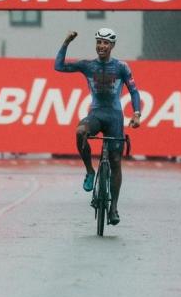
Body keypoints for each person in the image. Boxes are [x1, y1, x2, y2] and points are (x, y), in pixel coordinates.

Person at [54, 28, 141, 226]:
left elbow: (134, 92)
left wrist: (136, 114)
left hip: (115, 118)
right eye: (99, 42)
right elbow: (58, 67)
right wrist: (66, 42)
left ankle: (113, 208)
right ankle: (90, 171)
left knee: (116, 161)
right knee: (80, 132)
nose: (101, 46)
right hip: (96, 114)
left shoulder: (121, 67)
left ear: (112, 46)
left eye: (105, 43)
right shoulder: (88, 65)